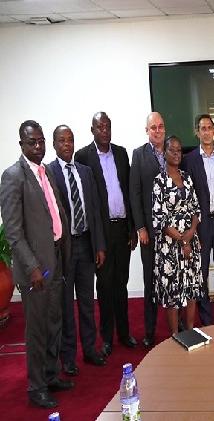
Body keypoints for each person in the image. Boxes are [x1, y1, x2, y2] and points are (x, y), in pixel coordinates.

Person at [0, 120, 73, 409]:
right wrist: (31, 268)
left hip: (54, 259)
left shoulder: (45, 173)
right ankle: (37, 386)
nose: (39, 146)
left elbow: (54, 214)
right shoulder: (13, 176)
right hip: (36, 271)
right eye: (33, 142)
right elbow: (13, 232)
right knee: (37, 328)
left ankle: (51, 375)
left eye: (41, 141)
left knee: (54, 322)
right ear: (22, 145)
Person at [75, 112, 137, 358]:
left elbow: (130, 192)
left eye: (107, 126)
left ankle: (124, 333)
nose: (104, 131)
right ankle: (107, 337)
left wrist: (133, 227)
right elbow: (86, 201)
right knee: (105, 285)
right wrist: (96, 239)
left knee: (121, 283)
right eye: (100, 127)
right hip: (101, 232)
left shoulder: (121, 153)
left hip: (122, 229)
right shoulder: (83, 156)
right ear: (92, 130)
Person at [49, 125, 106, 377]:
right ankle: (68, 357)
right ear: (54, 145)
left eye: (70, 140)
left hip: (86, 243)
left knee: (86, 301)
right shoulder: (49, 173)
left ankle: (90, 350)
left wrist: (99, 245)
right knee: (65, 306)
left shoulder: (85, 172)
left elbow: (94, 210)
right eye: (62, 141)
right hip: (64, 248)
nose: (67, 145)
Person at [152, 135, 203, 334]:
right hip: (169, 247)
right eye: (172, 150)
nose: (176, 153)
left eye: (179, 150)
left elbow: (196, 209)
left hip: (190, 241)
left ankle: (190, 333)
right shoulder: (159, 182)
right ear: (164, 153)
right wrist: (183, 241)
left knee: (191, 289)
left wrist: (190, 235)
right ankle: (175, 337)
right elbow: (160, 219)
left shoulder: (187, 178)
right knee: (172, 294)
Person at [181, 114, 214, 326]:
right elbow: (188, 196)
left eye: (210, 128)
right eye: (203, 128)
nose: (207, 132)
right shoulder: (189, 159)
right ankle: (206, 319)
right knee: (200, 273)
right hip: (200, 223)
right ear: (197, 132)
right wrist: (192, 227)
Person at [130, 111, 166, 348]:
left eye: (161, 126)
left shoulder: (174, 150)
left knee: (175, 279)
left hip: (173, 231)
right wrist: (140, 228)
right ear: (147, 131)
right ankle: (150, 331)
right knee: (151, 281)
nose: (158, 131)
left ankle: (178, 324)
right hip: (150, 234)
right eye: (153, 127)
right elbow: (135, 194)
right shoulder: (139, 155)